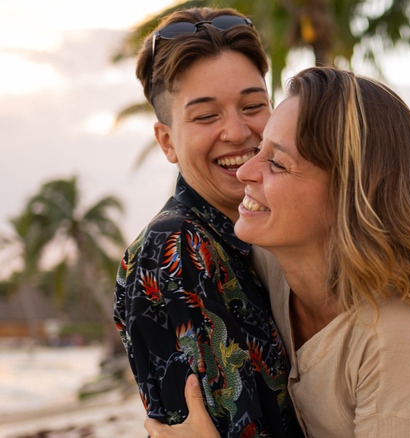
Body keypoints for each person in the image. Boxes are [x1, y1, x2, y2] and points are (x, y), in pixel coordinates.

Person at [145, 67, 410, 437]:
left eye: (276, 163)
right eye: (260, 150)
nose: (246, 171)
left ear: (349, 194)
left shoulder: (398, 341)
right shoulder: (274, 266)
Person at [113, 7, 301, 437]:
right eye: (205, 116)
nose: (237, 132)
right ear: (167, 142)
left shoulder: (265, 236)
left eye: (253, 106)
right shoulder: (175, 247)